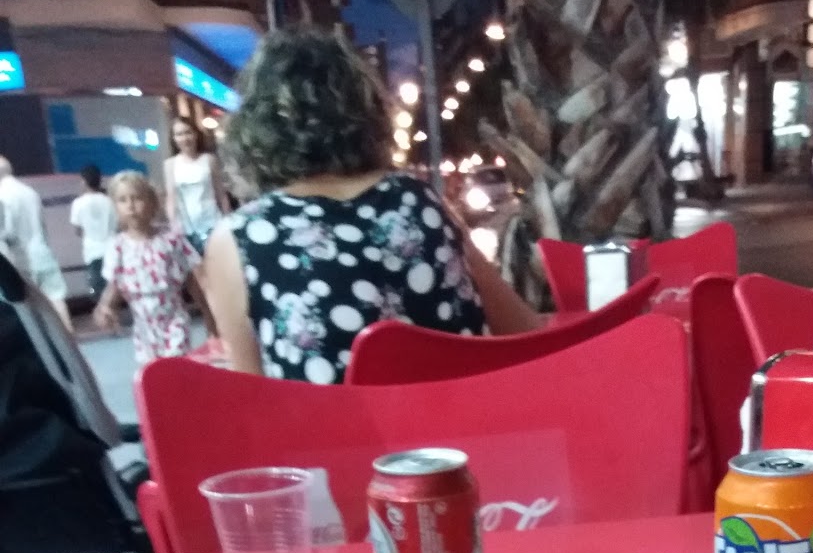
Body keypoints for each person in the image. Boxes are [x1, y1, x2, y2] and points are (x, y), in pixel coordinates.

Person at [205, 27, 540, 384]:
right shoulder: (419, 200)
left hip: (334, 424)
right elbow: (522, 330)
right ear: (367, 114)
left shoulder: (241, 239)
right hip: (465, 419)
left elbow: (255, 399)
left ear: (256, 128)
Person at [93, 170, 208, 367]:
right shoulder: (118, 247)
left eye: (137, 198)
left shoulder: (170, 240)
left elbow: (192, 280)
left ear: (152, 203)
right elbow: (114, 285)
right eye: (123, 200)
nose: (131, 206)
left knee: (175, 368)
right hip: (144, 329)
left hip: (174, 320)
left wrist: (207, 312)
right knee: (152, 374)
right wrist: (105, 306)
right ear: (116, 207)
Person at [0, 156, 72, 331]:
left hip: (21, 260)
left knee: (28, 310)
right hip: (43, 254)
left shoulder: (2, 197)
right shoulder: (30, 192)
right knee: (56, 300)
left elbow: (6, 234)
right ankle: (69, 337)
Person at [163, 117, 231, 256]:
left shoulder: (209, 160)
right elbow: (171, 198)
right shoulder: (170, 164)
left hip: (213, 222)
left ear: (195, 134)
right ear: (174, 139)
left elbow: (221, 194)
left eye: (188, 132)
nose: (184, 138)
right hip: (187, 228)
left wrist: (228, 219)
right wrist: (173, 225)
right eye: (179, 134)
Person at [69, 164, 117, 300]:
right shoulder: (110, 201)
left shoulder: (78, 203)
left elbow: (77, 230)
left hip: (92, 252)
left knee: (99, 292)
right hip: (112, 249)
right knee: (114, 290)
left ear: (84, 181)